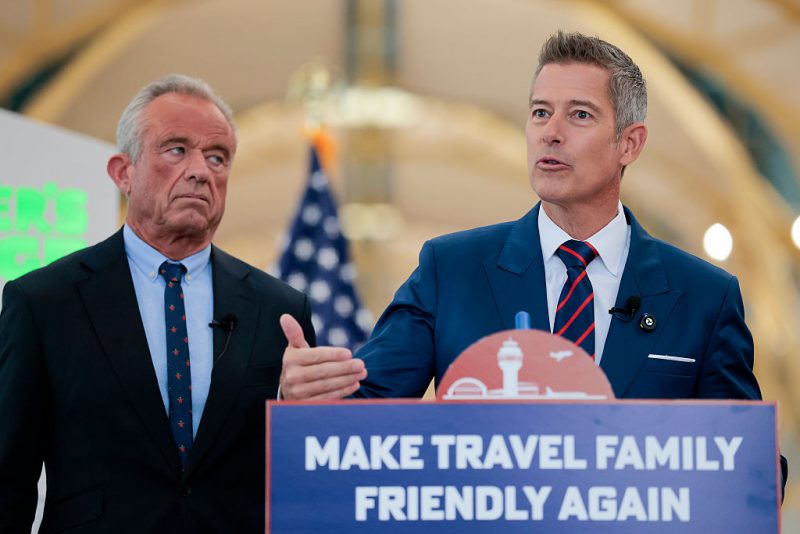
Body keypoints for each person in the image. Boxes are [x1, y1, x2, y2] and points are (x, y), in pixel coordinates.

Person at [278, 31, 787, 489]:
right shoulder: (449, 270)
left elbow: (750, 466)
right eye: (540, 112)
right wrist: (304, 399)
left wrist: (755, 472)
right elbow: (363, 417)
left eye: (579, 115)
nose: (551, 132)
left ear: (629, 143)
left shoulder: (704, 296)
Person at [0, 75, 315, 532]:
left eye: (217, 157)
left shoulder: (279, 309)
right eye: (176, 150)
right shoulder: (44, 301)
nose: (200, 171)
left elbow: (303, 474)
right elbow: (8, 478)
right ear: (123, 172)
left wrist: (300, 410)